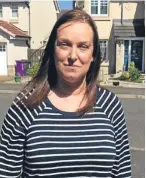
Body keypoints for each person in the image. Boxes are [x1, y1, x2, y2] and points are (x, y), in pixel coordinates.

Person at [0, 9, 131, 178]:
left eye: (83, 46)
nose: (72, 56)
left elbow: (122, 173)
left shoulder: (110, 105)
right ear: (53, 50)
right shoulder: (26, 106)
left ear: (93, 55)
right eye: (65, 44)